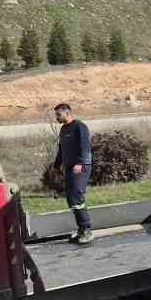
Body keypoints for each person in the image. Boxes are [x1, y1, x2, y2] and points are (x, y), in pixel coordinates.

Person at [51, 102, 94, 244]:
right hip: (69, 167)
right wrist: (56, 166)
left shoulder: (79, 127)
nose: (56, 117)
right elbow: (61, 150)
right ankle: (81, 229)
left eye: (58, 114)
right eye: (56, 115)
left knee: (76, 195)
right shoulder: (63, 129)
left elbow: (85, 146)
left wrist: (80, 163)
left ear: (67, 113)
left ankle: (87, 230)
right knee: (71, 198)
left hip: (81, 167)